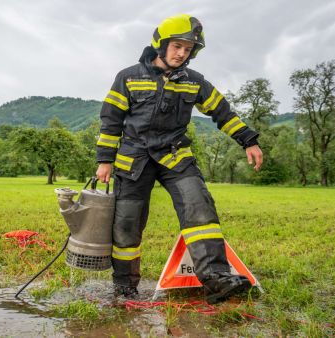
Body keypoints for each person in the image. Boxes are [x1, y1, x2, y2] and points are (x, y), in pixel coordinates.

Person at [95, 14, 263, 304]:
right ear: (161, 44)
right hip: (133, 160)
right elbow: (111, 120)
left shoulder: (194, 82)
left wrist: (248, 139)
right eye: (177, 46)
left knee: (200, 210)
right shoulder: (128, 77)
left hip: (176, 156)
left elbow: (221, 111)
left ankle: (217, 279)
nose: (182, 53)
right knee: (126, 225)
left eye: (188, 49)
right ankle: (124, 287)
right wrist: (105, 160)